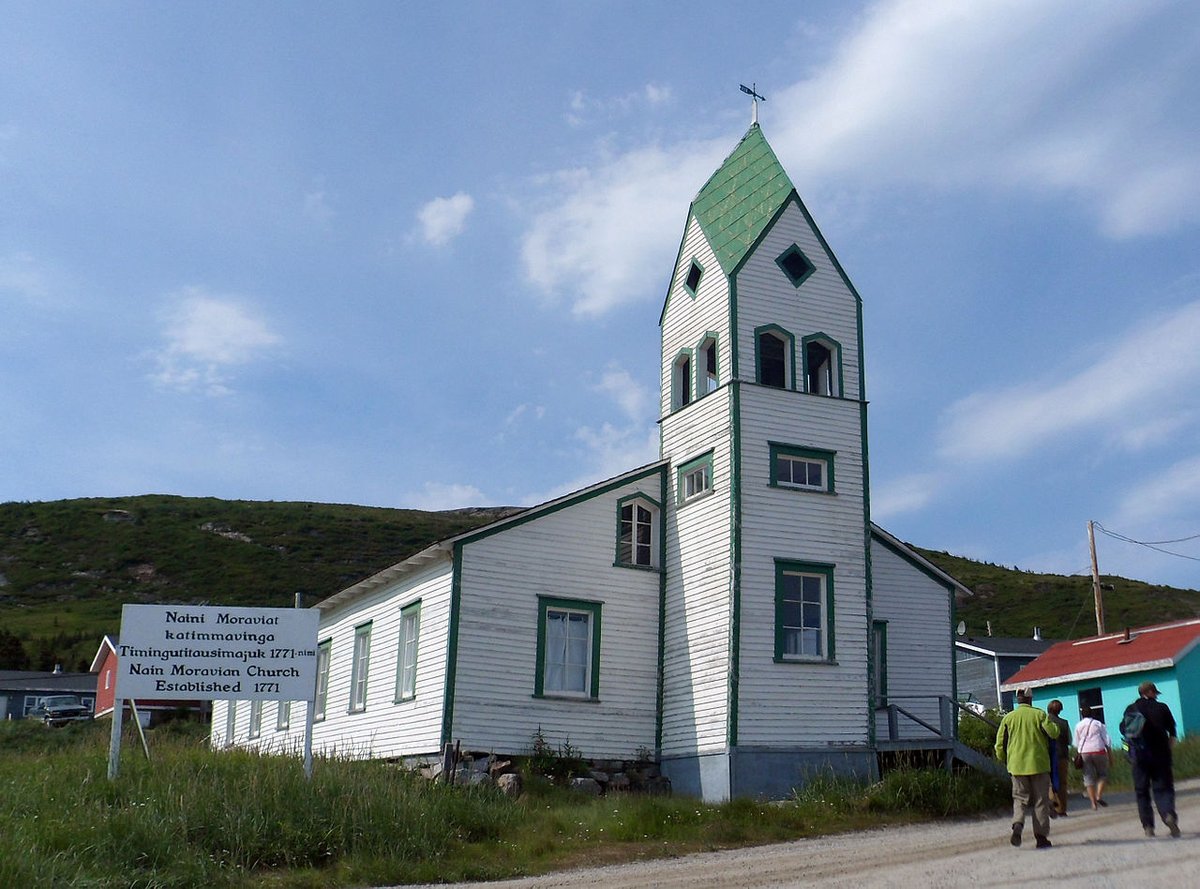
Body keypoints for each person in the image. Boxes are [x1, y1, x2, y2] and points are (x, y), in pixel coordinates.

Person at [995, 687, 1059, 848]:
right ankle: (1041, 837)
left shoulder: (1008, 718)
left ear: (1018, 700)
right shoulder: (1039, 715)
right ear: (1030, 699)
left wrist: (1004, 759)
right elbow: (1054, 733)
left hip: (1016, 765)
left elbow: (999, 744)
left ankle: (1018, 824)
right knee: (1040, 801)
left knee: (1019, 799)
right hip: (1038, 764)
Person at [1123, 681, 1181, 838]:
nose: (1156, 695)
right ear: (1149, 692)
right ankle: (1168, 814)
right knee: (1164, 788)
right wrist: (1168, 748)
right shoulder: (1162, 708)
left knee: (1142, 792)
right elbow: (1173, 732)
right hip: (1161, 756)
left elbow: (1124, 730)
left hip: (1139, 757)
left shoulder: (1131, 709)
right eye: (1155, 692)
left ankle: (1148, 826)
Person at [1073, 705, 1112, 810]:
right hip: (1099, 751)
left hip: (1084, 753)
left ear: (1082, 715)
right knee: (1102, 774)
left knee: (1088, 777)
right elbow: (1107, 740)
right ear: (1092, 714)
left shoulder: (1078, 725)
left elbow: (1076, 742)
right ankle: (1099, 796)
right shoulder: (1098, 724)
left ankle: (1093, 803)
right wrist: (1110, 755)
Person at [1046, 699, 1072, 816]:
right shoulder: (1064, 723)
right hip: (1062, 755)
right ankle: (1061, 809)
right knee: (1062, 783)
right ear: (1060, 710)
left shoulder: (1044, 722)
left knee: (1048, 781)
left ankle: (1052, 801)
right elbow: (1069, 741)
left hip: (1046, 756)